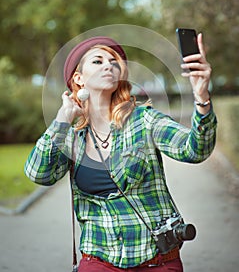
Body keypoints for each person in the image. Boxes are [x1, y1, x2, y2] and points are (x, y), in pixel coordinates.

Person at [24, 34, 217, 271]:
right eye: (98, 61)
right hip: (98, 260)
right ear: (78, 78)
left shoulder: (144, 121)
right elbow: (38, 173)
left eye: (114, 62)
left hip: (156, 261)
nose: (109, 65)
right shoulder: (71, 137)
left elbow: (195, 150)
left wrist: (202, 98)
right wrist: (62, 119)